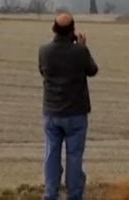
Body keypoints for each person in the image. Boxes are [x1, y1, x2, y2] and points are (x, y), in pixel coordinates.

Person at [39, 12, 98, 200]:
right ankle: (74, 195)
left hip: (51, 112)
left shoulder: (44, 51)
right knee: (74, 156)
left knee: (51, 154)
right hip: (76, 113)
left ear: (54, 29)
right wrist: (82, 47)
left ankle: (50, 194)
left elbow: (42, 72)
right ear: (72, 30)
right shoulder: (80, 52)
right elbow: (92, 70)